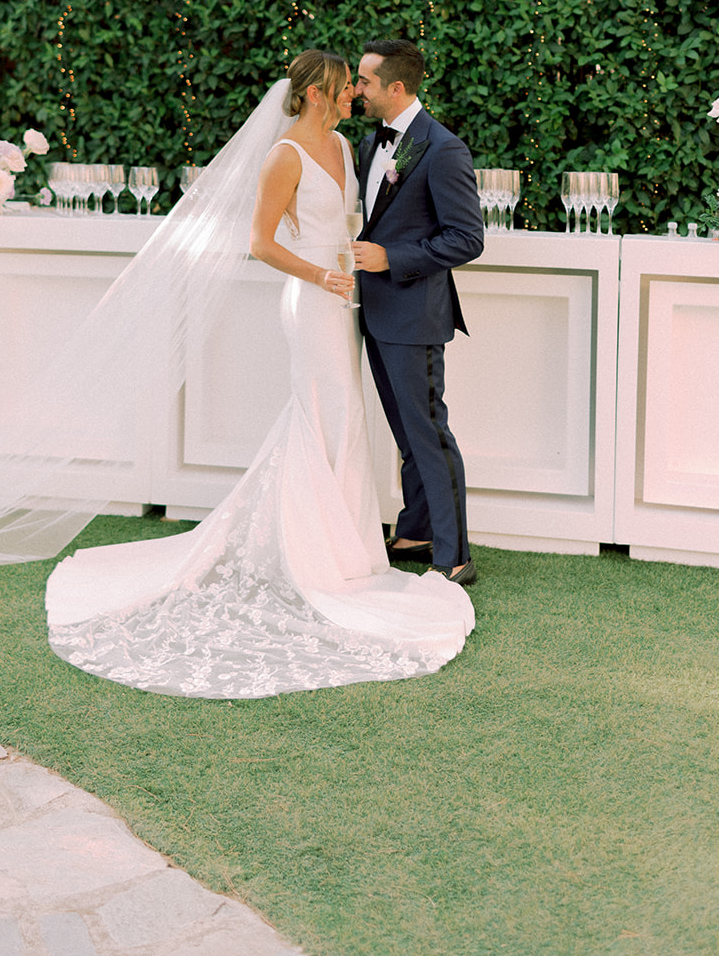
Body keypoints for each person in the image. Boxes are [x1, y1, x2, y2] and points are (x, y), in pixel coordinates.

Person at [44, 50, 474, 697]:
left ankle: (370, 546)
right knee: (325, 412)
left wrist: (370, 262)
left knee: (350, 418)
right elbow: (261, 241)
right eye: (343, 85)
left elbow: (420, 228)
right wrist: (320, 274)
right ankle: (323, 552)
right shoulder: (285, 154)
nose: (353, 93)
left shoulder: (355, 145)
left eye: (360, 83)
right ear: (316, 93)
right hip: (313, 301)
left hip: (355, 302)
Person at [352, 39, 483, 583]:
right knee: (407, 433)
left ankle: (454, 556)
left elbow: (467, 239)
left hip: (415, 313)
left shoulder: (443, 149)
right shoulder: (366, 145)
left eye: (364, 82)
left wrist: (392, 258)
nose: (355, 91)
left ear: (396, 88)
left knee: (429, 432)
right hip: (374, 312)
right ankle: (416, 528)